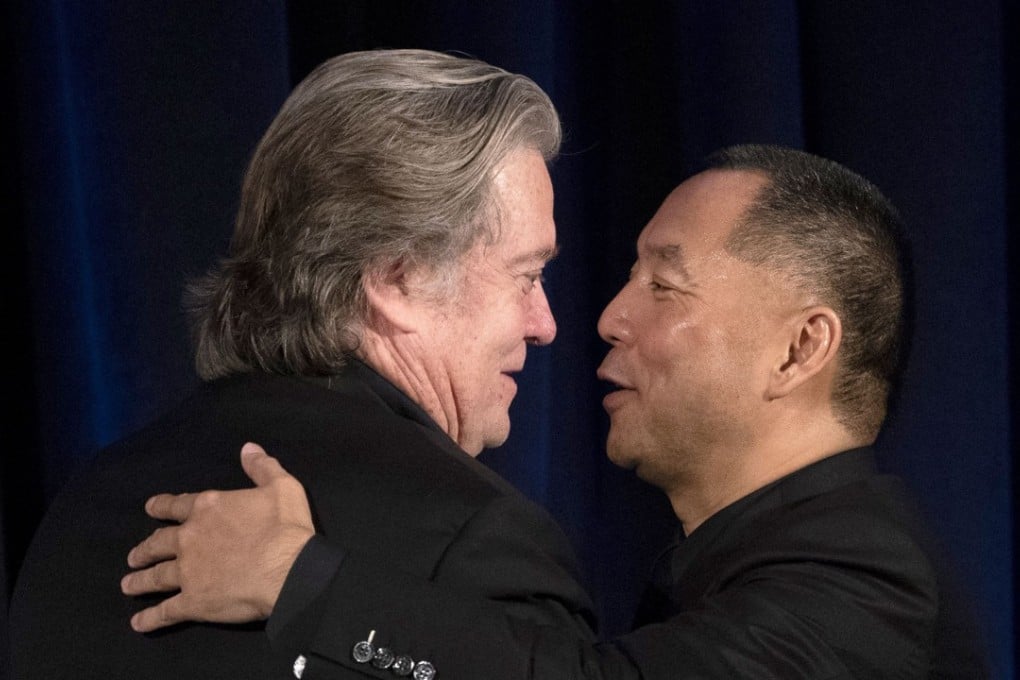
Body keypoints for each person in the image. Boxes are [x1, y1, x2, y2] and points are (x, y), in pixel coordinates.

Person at [122, 145, 988, 678]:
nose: (607, 317)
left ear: (801, 349)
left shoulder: (872, 579)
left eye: (663, 284)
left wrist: (299, 580)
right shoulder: (765, 561)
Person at [9, 49, 598, 679]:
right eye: (527, 274)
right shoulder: (482, 542)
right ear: (398, 278)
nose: (545, 324)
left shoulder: (85, 508)